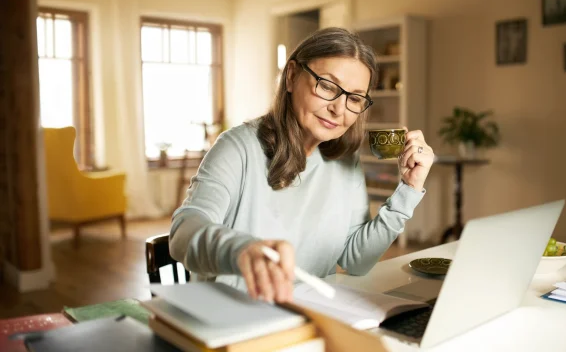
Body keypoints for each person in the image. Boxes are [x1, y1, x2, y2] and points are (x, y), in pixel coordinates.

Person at [169, 27, 434, 304]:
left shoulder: (345, 161)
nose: (339, 109)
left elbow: (357, 260)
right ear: (292, 76)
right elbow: (182, 232)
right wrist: (240, 249)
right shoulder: (237, 147)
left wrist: (409, 188)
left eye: (354, 98)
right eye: (328, 86)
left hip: (310, 314)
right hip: (235, 317)